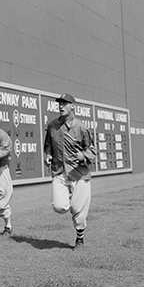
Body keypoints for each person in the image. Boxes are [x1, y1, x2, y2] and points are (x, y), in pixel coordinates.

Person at [43, 93, 97, 249]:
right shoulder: (52, 126)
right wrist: (48, 155)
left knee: (79, 211)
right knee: (59, 206)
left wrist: (83, 155)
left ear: (73, 106)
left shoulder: (81, 127)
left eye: (65, 103)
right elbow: (48, 146)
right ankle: (72, 205)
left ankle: (80, 237)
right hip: (59, 171)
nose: (61, 106)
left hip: (79, 173)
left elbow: (92, 150)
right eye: (59, 103)